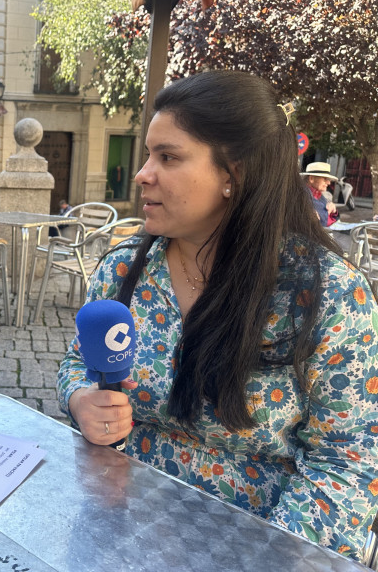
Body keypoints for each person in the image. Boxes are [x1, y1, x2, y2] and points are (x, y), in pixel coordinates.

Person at [57, 70, 378, 559]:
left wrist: (265, 559)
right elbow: (79, 363)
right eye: (148, 155)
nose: (144, 173)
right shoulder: (125, 270)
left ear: (234, 174)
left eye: (168, 157)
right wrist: (81, 399)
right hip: (118, 526)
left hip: (255, 541)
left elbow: (347, 466)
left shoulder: (328, 296)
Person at [303, 161, 339, 227]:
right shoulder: (302, 196)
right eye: (325, 179)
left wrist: (334, 211)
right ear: (311, 179)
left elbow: (329, 219)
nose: (328, 183)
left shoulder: (319, 195)